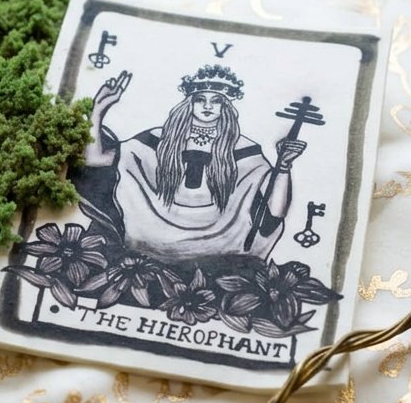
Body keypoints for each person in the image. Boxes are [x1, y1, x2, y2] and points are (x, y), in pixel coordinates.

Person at [78, 64, 305, 262]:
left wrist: (283, 167)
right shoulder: (157, 139)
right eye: (200, 100)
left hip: (221, 243)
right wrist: (97, 111)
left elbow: (275, 212)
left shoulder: (244, 150)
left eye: (216, 101)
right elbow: (94, 160)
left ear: (225, 107)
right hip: (150, 234)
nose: (208, 106)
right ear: (190, 103)